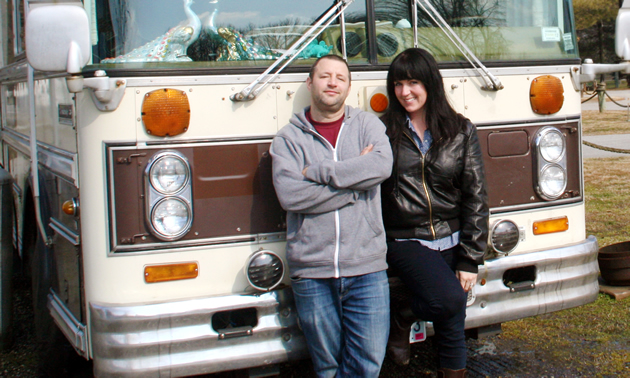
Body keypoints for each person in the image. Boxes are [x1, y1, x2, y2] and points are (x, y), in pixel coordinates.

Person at [270, 55, 394, 378]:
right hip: (312, 271)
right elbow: (291, 195)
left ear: (349, 87)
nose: (332, 82)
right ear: (310, 83)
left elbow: (380, 166)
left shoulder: (368, 125)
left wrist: (321, 172)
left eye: (340, 77)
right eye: (324, 76)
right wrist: (354, 187)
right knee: (326, 368)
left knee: (367, 365)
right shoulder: (288, 139)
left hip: (367, 267)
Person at [380, 48, 489, 378]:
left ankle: (404, 313)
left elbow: (476, 195)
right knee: (451, 300)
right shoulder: (382, 131)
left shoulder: (460, 129)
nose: (405, 92)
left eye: (413, 82)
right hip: (405, 239)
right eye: (398, 84)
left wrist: (470, 257)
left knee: (453, 325)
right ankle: (402, 313)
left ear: (430, 83)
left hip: (451, 237)